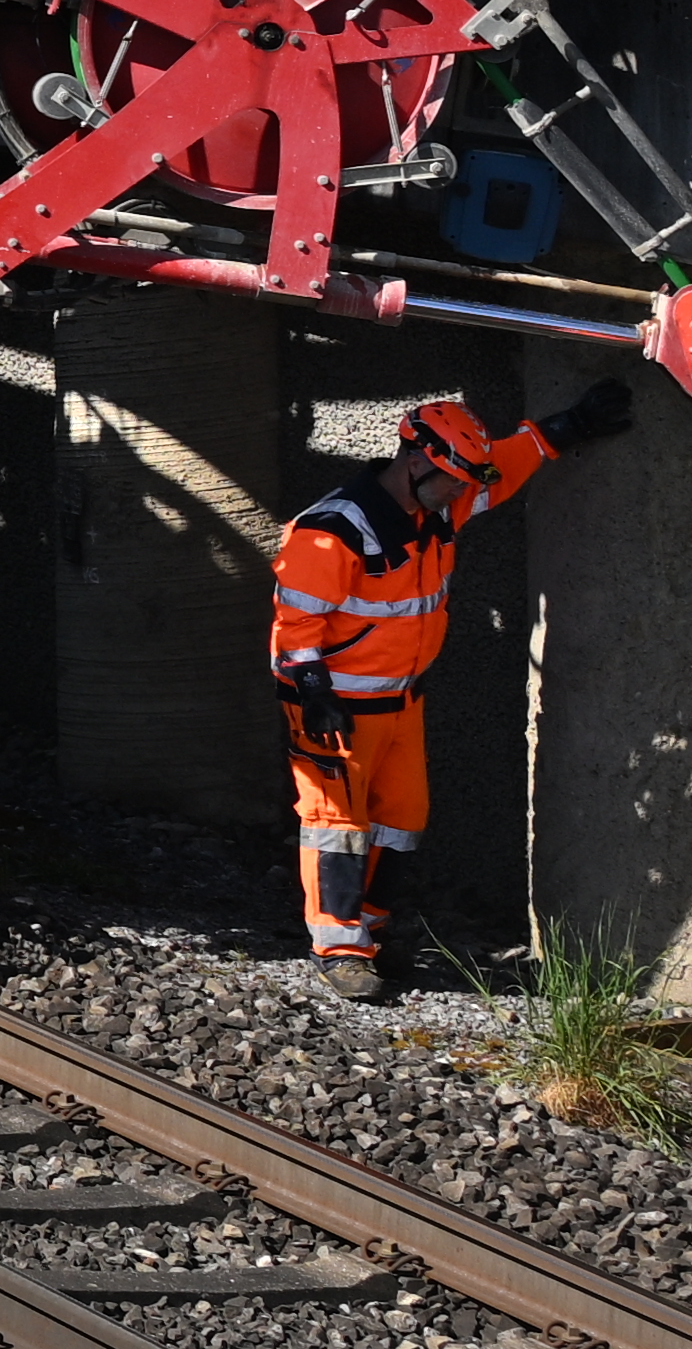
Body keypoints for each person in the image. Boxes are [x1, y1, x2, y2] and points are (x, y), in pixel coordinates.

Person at [259, 384, 627, 994]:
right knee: (336, 823)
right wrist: (315, 691)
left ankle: (369, 934)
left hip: (401, 702)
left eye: (462, 485)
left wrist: (565, 429)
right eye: (452, 482)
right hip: (335, 707)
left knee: (402, 819)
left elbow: (502, 468)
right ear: (415, 461)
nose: (462, 495)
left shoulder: (437, 502)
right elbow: (296, 623)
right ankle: (339, 947)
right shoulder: (333, 530)